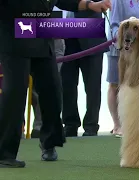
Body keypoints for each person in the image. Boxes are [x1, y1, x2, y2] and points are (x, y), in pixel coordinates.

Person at [0, 0, 111, 168]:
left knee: (53, 89)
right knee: (15, 93)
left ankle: (49, 143)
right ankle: (5, 153)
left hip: (42, 32)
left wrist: (90, 5)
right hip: (13, 33)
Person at [107, 0, 139, 137]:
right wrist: (123, 40)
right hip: (119, 48)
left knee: (138, 85)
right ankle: (117, 125)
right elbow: (115, 24)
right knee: (115, 84)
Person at [61, 6, 109, 137]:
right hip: (64, 33)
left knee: (92, 84)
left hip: (90, 31)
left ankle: (91, 125)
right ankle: (70, 124)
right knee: (67, 84)